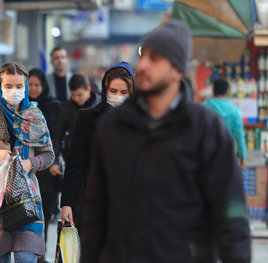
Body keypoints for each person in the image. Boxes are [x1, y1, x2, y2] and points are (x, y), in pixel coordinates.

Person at [80, 20, 251, 263]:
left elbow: (231, 214)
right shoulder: (113, 127)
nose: (144, 65)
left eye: (156, 58)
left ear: (177, 71)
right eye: (144, 55)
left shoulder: (206, 129)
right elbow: (95, 210)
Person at [0, 62, 55, 263]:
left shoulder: (34, 116)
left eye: (19, 86)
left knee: (26, 257)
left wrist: (30, 163)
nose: (14, 91)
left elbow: (48, 154)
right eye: (8, 86)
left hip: (28, 200)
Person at [60, 62, 135, 228]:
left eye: (124, 92)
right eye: (113, 91)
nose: (118, 96)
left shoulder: (140, 122)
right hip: (93, 201)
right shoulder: (87, 118)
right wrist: (67, 203)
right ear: (105, 89)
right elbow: (75, 164)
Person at [28, 68, 61, 263]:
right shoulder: (20, 106)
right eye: (30, 84)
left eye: (37, 85)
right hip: (28, 167)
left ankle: (41, 253)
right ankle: (30, 251)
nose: (33, 88)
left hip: (47, 168)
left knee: (46, 212)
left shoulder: (54, 107)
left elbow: (56, 137)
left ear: (43, 86)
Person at [49, 73, 99, 181]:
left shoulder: (99, 104)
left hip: (97, 157)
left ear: (88, 90)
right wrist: (54, 162)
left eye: (80, 95)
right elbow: (57, 136)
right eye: (73, 95)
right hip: (74, 158)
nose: (77, 98)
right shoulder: (65, 108)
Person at [203, 77, 247, 168]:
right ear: (227, 91)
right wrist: (243, 157)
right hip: (229, 155)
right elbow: (239, 135)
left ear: (213, 90)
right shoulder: (235, 111)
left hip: (207, 156)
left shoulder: (203, 108)